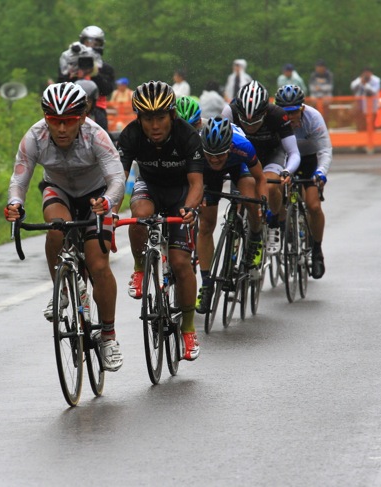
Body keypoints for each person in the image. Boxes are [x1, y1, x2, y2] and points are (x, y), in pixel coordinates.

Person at [4, 82, 125, 371]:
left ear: (81, 118)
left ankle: (108, 335)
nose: (60, 128)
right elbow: (19, 180)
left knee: (98, 265)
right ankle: (61, 290)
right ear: (46, 117)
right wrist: (15, 204)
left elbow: (117, 180)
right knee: (56, 227)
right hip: (58, 190)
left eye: (68, 121)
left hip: (96, 195)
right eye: (54, 120)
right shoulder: (34, 136)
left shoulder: (96, 136)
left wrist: (107, 203)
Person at [117, 81, 204, 361]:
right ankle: (141, 268)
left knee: (180, 263)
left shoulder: (187, 136)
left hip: (180, 194)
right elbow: (118, 180)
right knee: (139, 217)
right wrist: (108, 214)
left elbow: (196, 183)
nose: (154, 125)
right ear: (138, 118)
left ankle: (189, 330)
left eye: (160, 118)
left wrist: (190, 208)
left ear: (172, 116)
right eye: (147, 119)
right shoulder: (130, 136)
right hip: (149, 188)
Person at [195, 117, 268, 313]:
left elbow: (260, 178)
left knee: (249, 196)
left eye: (219, 155)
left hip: (238, 166)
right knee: (206, 225)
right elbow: (193, 180)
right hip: (206, 173)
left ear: (229, 147)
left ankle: (255, 237)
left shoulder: (243, 146)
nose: (215, 159)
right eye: (211, 155)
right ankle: (206, 284)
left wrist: (263, 204)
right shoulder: (196, 147)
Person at [222, 81, 301, 257]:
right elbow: (221, 143)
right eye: (245, 122)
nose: (250, 126)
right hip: (244, 157)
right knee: (244, 198)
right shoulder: (230, 111)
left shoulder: (277, 115)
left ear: (265, 112)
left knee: (272, 185)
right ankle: (241, 246)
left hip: (271, 154)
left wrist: (287, 171)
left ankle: (273, 223)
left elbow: (293, 152)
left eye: (255, 122)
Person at [274, 85, 331, 279]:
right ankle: (283, 227)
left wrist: (321, 173)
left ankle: (317, 250)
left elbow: (324, 150)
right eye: (285, 113)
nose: (290, 118)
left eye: (294, 112)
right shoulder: (274, 120)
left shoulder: (313, 118)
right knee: (277, 192)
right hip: (284, 158)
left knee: (314, 205)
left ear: (302, 109)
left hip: (308, 160)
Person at [58, 26, 115, 133]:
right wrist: (73, 76)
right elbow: (60, 88)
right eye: (87, 43)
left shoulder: (105, 68)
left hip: (97, 111)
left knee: (102, 137)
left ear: (101, 45)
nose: (91, 47)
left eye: (96, 44)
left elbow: (107, 90)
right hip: (71, 109)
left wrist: (95, 74)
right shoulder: (70, 66)